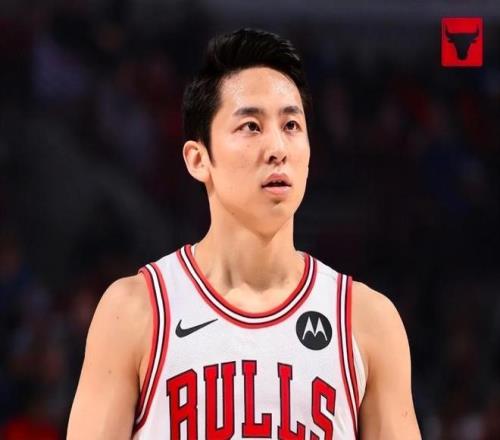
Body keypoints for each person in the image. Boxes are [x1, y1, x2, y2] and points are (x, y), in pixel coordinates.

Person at [67, 28, 421, 439]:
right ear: (198, 159)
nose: (277, 148)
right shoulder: (134, 312)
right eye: (251, 126)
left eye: (291, 125)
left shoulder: (367, 321)